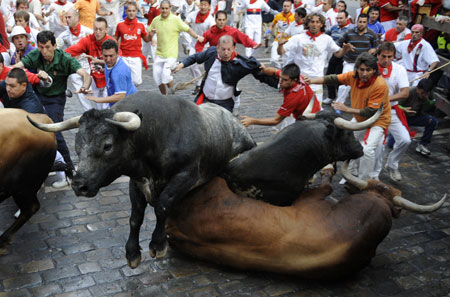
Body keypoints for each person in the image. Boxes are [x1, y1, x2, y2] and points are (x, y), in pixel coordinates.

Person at [14, 30, 92, 176]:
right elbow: (16, 67)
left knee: (54, 130)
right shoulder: (35, 55)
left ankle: (69, 168)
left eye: (48, 47)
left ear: (55, 45)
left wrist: (84, 87)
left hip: (56, 99)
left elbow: (85, 75)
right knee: (30, 128)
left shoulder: (65, 59)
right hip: (38, 96)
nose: (44, 51)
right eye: (41, 47)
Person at [305, 52, 391, 181]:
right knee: (347, 143)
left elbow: (371, 112)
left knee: (367, 150)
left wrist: (346, 109)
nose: (365, 73)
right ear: (357, 69)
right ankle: (350, 173)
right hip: (359, 117)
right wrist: (311, 80)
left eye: (368, 70)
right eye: (362, 69)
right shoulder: (353, 76)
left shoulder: (380, 85)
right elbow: (333, 78)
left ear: (374, 70)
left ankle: (363, 182)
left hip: (378, 120)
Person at [172, 35, 270, 112]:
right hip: (206, 100)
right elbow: (195, 57)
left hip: (225, 104)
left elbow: (256, 70)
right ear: (217, 48)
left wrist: (267, 71)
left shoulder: (239, 63)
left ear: (233, 49)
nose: (226, 53)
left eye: (229, 49)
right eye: (223, 49)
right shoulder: (211, 53)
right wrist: (182, 64)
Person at [277, 13, 353, 105]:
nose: (314, 24)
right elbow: (281, 52)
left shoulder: (327, 39)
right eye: (312, 22)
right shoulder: (298, 38)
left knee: (314, 111)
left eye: (317, 22)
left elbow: (338, 53)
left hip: (317, 81)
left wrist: (344, 50)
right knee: (297, 109)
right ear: (308, 23)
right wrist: (280, 45)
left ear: (321, 24)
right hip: (300, 80)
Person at [148, 0, 205, 95]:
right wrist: (151, 36)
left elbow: (188, 29)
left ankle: (172, 93)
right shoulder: (156, 20)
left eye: (167, 8)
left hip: (171, 55)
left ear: (170, 8)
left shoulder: (176, 20)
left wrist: (197, 37)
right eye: (163, 8)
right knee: (157, 79)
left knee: (165, 77)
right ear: (160, 8)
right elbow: (148, 35)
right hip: (159, 54)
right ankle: (164, 97)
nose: (165, 10)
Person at [373, 41, 410, 182]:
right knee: (378, 146)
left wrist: (386, 99)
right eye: (383, 56)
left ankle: (392, 165)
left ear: (394, 56)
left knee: (405, 140)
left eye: (390, 56)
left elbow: (405, 93)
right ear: (377, 55)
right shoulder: (370, 68)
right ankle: (374, 174)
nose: (386, 60)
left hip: (392, 110)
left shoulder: (399, 69)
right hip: (374, 111)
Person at [241, 63, 320, 127]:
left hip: (309, 122)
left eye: (284, 80)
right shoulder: (298, 77)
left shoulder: (293, 97)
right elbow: (275, 71)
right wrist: (264, 69)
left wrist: (252, 121)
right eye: (280, 78)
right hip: (314, 110)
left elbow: (276, 120)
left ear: (294, 80)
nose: (280, 81)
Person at [65, 17, 114, 110]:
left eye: (101, 29)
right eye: (96, 29)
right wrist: (55, 55)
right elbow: (72, 50)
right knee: (100, 108)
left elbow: (117, 61)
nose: (98, 32)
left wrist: (98, 61)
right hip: (95, 79)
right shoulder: (87, 40)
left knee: (106, 108)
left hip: (110, 79)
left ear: (106, 30)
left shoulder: (111, 42)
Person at [57, 9, 97, 111]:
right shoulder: (63, 36)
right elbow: (56, 50)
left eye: (69, 17)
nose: (67, 19)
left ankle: (100, 109)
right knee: (80, 92)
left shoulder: (88, 32)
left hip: (88, 65)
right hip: (73, 68)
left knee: (93, 89)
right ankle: (88, 113)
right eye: (66, 17)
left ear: (77, 18)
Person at [334, 13, 378, 105]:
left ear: (367, 23)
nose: (361, 24)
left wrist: (374, 49)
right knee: (345, 83)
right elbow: (338, 44)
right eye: (360, 21)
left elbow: (377, 46)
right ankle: (339, 103)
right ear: (357, 22)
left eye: (364, 22)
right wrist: (345, 48)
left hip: (363, 63)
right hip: (349, 61)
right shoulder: (349, 32)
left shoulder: (371, 34)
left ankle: (364, 104)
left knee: (365, 83)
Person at [85, 39, 136, 105]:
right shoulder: (112, 61)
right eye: (105, 56)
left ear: (117, 54)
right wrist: (99, 61)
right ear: (102, 54)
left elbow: (121, 96)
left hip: (128, 105)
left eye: (111, 56)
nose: (108, 60)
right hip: (118, 101)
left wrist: (97, 99)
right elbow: (107, 62)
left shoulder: (119, 72)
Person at [395, 79, 438, 156]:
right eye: (422, 93)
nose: (423, 95)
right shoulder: (409, 92)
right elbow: (396, 106)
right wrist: (403, 109)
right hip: (403, 118)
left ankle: (423, 144)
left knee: (433, 121)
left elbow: (432, 105)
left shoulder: (428, 93)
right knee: (393, 143)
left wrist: (427, 100)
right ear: (418, 89)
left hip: (417, 116)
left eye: (426, 93)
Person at [115, 2, 152, 86]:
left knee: (137, 81)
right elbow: (115, 39)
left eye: (133, 11)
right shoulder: (120, 25)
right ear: (126, 12)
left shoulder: (141, 25)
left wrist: (151, 35)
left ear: (136, 12)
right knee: (122, 79)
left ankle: (129, 89)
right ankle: (127, 96)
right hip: (123, 57)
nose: (131, 13)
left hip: (136, 57)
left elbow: (146, 40)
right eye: (129, 11)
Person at [184, 0, 215, 94]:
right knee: (191, 64)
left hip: (206, 46)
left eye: (205, 5)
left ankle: (207, 87)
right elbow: (184, 25)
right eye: (202, 4)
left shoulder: (211, 19)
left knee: (209, 68)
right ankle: (199, 83)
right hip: (194, 44)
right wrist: (193, 35)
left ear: (209, 6)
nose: (203, 7)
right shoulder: (192, 15)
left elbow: (213, 33)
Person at [323, 10, 352, 104]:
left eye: (341, 18)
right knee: (328, 75)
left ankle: (339, 100)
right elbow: (325, 35)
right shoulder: (334, 28)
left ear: (346, 18)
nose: (339, 20)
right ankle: (331, 96)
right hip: (334, 54)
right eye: (337, 18)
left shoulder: (351, 29)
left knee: (339, 78)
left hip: (345, 57)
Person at [269, 0, 294, 68]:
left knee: (287, 62)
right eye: (284, 6)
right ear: (282, 7)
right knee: (273, 59)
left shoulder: (294, 17)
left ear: (291, 7)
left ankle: (284, 73)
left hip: (288, 41)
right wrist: (268, 31)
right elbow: (272, 25)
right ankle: (280, 69)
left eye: (288, 6)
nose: (286, 8)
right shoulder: (278, 16)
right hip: (278, 40)